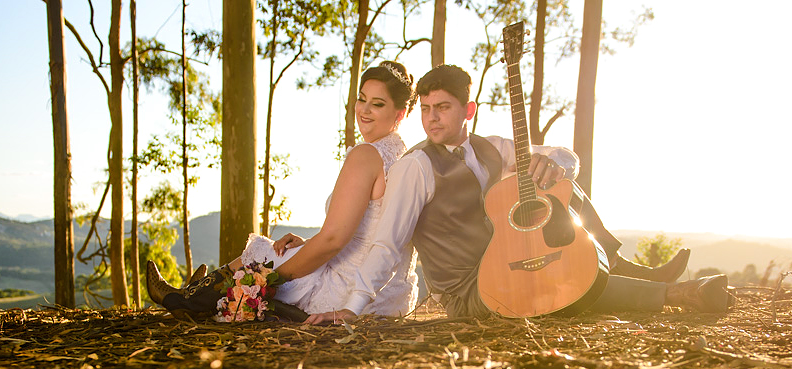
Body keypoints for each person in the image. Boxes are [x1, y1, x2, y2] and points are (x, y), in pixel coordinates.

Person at [306, 64, 728, 326]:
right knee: (556, 286)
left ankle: (627, 267)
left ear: (468, 110)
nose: (432, 119)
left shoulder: (491, 146)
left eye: (444, 108)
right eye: (426, 109)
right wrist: (353, 306)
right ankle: (678, 296)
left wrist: (557, 164)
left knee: (560, 182)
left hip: (511, 261)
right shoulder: (416, 167)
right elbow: (388, 241)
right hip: (468, 289)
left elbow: (565, 155)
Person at [146, 60, 419, 319]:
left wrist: (271, 278)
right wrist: (308, 243)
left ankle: (185, 300)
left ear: (400, 113)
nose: (364, 110)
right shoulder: (401, 155)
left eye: (378, 104)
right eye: (362, 99)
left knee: (263, 255)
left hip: (345, 289)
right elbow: (362, 232)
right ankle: (196, 293)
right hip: (386, 292)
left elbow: (335, 240)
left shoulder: (365, 155)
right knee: (282, 251)